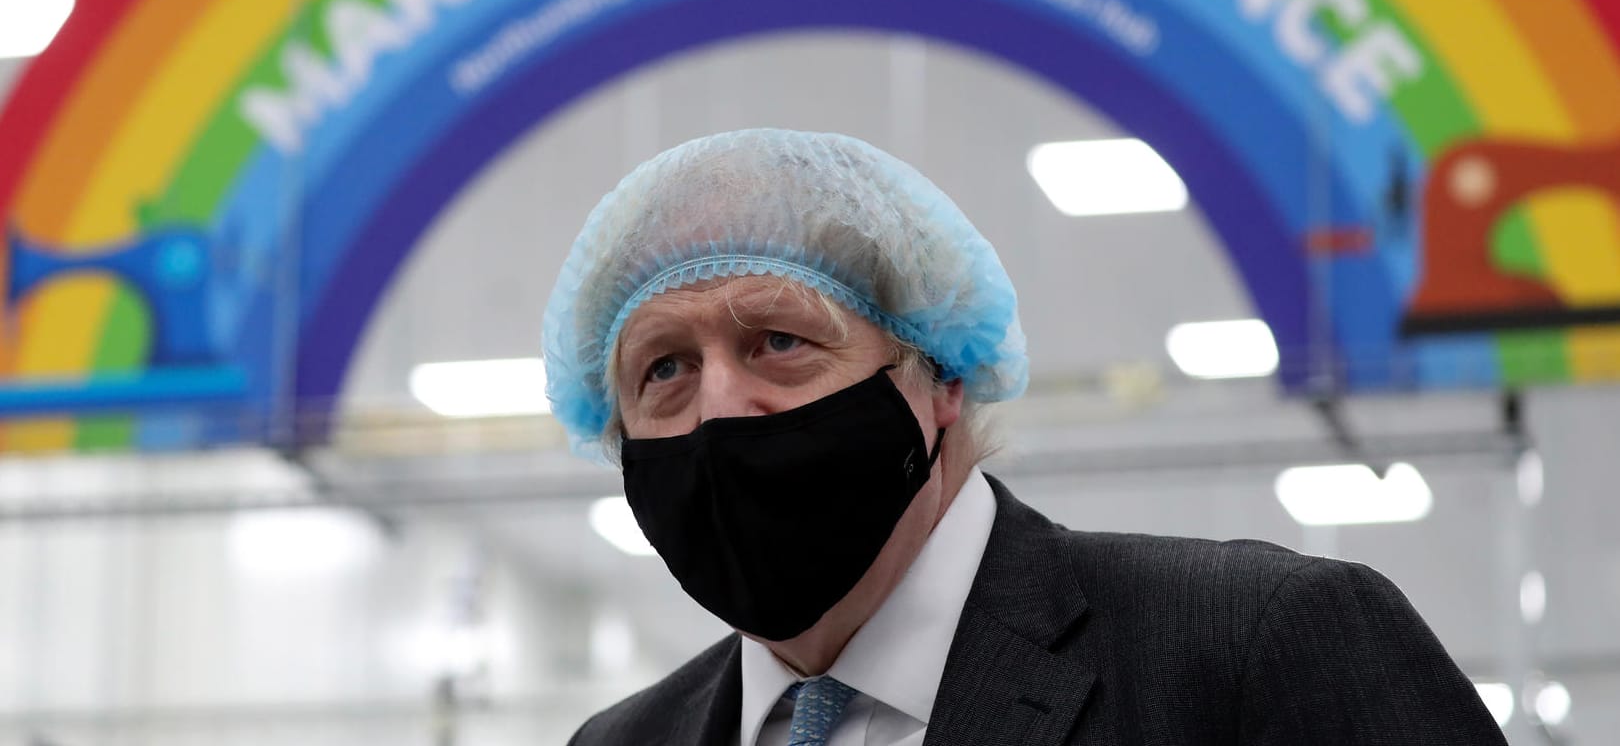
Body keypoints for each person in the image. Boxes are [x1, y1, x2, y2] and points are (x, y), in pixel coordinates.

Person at [542, 128, 1505, 745]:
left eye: (781, 341)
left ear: (939, 376)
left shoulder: (1252, 650)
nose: (717, 410)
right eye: (662, 368)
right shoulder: (621, 740)